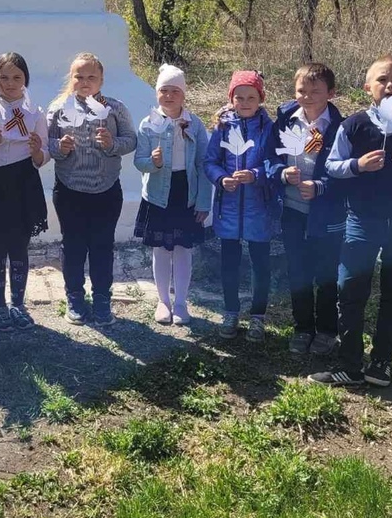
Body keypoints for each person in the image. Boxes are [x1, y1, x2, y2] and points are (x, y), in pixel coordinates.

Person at [310, 56, 392, 388]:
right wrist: (358, 165)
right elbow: (332, 166)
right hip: (360, 222)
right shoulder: (353, 126)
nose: (389, 86)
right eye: (382, 79)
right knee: (350, 289)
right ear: (367, 87)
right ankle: (350, 365)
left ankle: (381, 363)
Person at [47, 53, 137, 327]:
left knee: (102, 247)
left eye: (91, 77)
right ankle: (74, 297)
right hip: (69, 190)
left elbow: (131, 140)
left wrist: (111, 144)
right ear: (71, 78)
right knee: (73, 247)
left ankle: (101, 300)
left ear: (101, 80)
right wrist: (59, 149)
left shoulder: (115, 108)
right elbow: (46, 145)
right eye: (79, 76)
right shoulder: (58, 108)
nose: (85, 82)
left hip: (106, 190)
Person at [267, 63, 346, 356]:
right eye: (301, 90)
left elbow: (348, 174)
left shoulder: (341, 128)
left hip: (327, 215)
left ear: (331, 93)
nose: (307, 96)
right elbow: (269, 158)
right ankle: (303, 328)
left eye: (315, 91)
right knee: (298, 271)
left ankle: (326, 331)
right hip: (293, 210)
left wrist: (321, 186)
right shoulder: (286, 122)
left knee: (326, 274)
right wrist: (280, 173)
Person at [0, 52, 49, 330]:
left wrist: (38, 151)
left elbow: (43, 157)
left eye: (17, 77)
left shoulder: (35, 113)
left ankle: (18, 303)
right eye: (4, 77)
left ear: (26, 79)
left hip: (24, 183)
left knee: (19, 247)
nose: (10, 83)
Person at [134, 64, 211, 326]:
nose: (168, 96)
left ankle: (181, 302)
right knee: (161, 249)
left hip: (185, 192)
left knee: (182, 249)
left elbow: (203, 163)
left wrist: (203, 201)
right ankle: (163, 301)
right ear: (157, 93)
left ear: (184, 95)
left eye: (174, 91)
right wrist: (153, 163)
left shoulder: (195, 124)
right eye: (163, 90)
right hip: (157, 193)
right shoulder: (148, 124)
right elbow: (139, 162)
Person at [204, 69, 275, 343]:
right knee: (229, 263)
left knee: (260, 264)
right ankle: (231, 311)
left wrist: (256, 175)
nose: (245, 102)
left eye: (251, 97)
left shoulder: (270, 129)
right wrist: (221, 179)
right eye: (239, 97)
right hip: (229, 207)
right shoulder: (223, 127)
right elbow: (210, 161)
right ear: (231, 98)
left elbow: (274, 163)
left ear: (261, 99)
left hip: (259, 207)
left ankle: (258, 316)